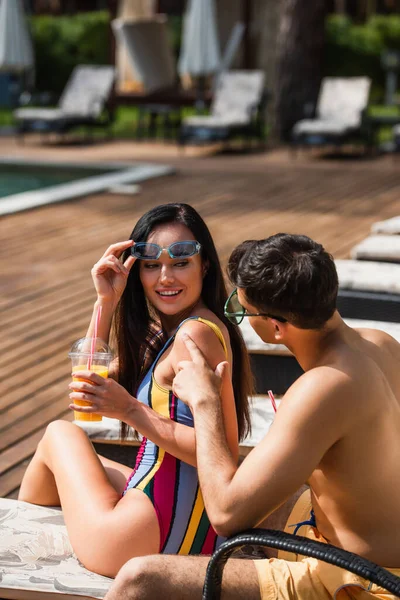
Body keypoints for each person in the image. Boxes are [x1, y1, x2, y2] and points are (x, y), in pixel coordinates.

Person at [105, 233, 400, 600]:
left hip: (361, 579)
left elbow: (227, 516)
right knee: (262, 495)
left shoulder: (322, 388)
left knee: (139, 578)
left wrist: (206, 402)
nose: (237, 316)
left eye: (242, 310)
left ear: (276, 328)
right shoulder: (380, 343)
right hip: (355, 537)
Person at [18, 203, 252, 578]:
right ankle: (25, 547)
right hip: (178, 520)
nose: (165, 277)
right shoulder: (186, 329)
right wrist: (106, 301)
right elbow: (90, 381)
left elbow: (222, 454)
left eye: (180, 262)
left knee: (58, 436)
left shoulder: (194, 335)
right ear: (136, 271)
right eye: (151, 265)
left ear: (204, 265)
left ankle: (20, 560)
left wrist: (130, 410)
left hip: (150, 538)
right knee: (72, 461)